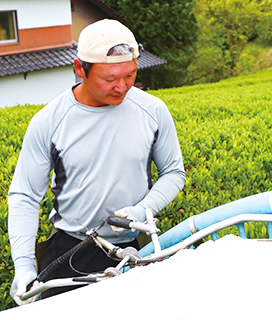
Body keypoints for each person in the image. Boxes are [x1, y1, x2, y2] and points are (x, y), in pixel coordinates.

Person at [8, 19, 186, 305]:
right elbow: (25, 197)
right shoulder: (49, 122)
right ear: (80, 69)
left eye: (129, 74)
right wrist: (24, 265)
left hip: (132, 246)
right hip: (69, 250)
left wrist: (141, 211)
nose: (121, 86)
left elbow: (174, 173)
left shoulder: (153, 111)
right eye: (109, 78)